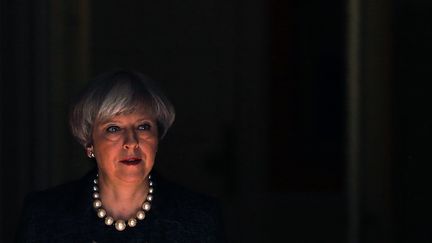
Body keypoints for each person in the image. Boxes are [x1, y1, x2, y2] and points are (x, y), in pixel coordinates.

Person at [16, 70, 225, 242]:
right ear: (90, 143)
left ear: (156, 138)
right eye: (113, 129)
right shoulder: (44, 216)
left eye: (143, 127)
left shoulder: (199, 218)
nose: (131, 142)